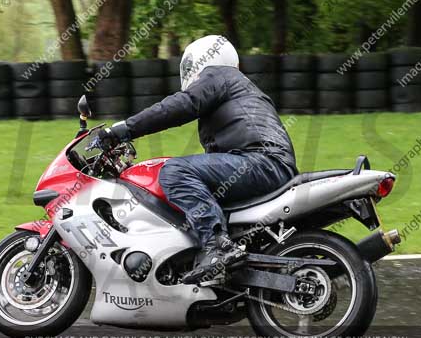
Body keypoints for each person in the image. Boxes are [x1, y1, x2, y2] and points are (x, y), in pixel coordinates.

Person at [91, 35, 298, 283]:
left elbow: (182, 105)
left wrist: (123, 129)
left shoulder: (219, 75)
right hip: (266, 165)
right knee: (197, 182)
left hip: (260, 163)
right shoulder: (240, 85)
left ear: (202, 60)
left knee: (174, 171)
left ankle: (217, 247)